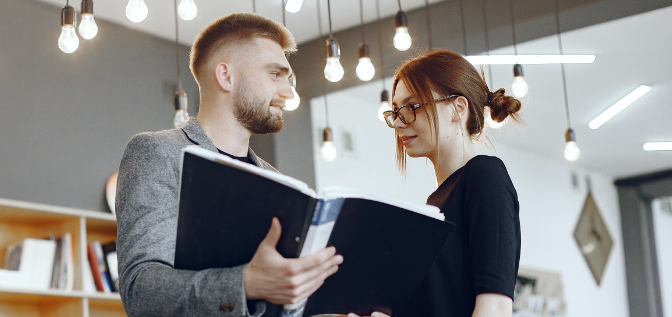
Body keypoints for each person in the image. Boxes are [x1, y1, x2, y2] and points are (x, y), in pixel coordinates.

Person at [115, 13, 343, 317]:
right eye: (276, 74)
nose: (288, 92)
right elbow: (140, 292)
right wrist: (245, 283)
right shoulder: (158, 152)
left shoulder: (277, 180)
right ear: (226, 76)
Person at [354, 49, 522, 317]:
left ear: (458, 108)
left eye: (411, 107)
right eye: (396, 111)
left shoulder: (484, 176)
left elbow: (496, 306)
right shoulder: (435, 204)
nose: (398, 122)